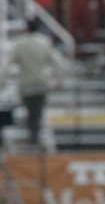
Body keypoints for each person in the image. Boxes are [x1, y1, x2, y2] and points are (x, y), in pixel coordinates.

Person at [1, 19, 68, 147]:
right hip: (41, 85)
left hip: (26, 86)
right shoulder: (44, 43)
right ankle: (34, 138)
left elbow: (8, 66)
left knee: (30, 113)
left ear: (27, 29)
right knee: (36, 114)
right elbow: (59, 64)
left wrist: (2, 82)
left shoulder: (20, 44)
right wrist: (58, 81)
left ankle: (32, 140)